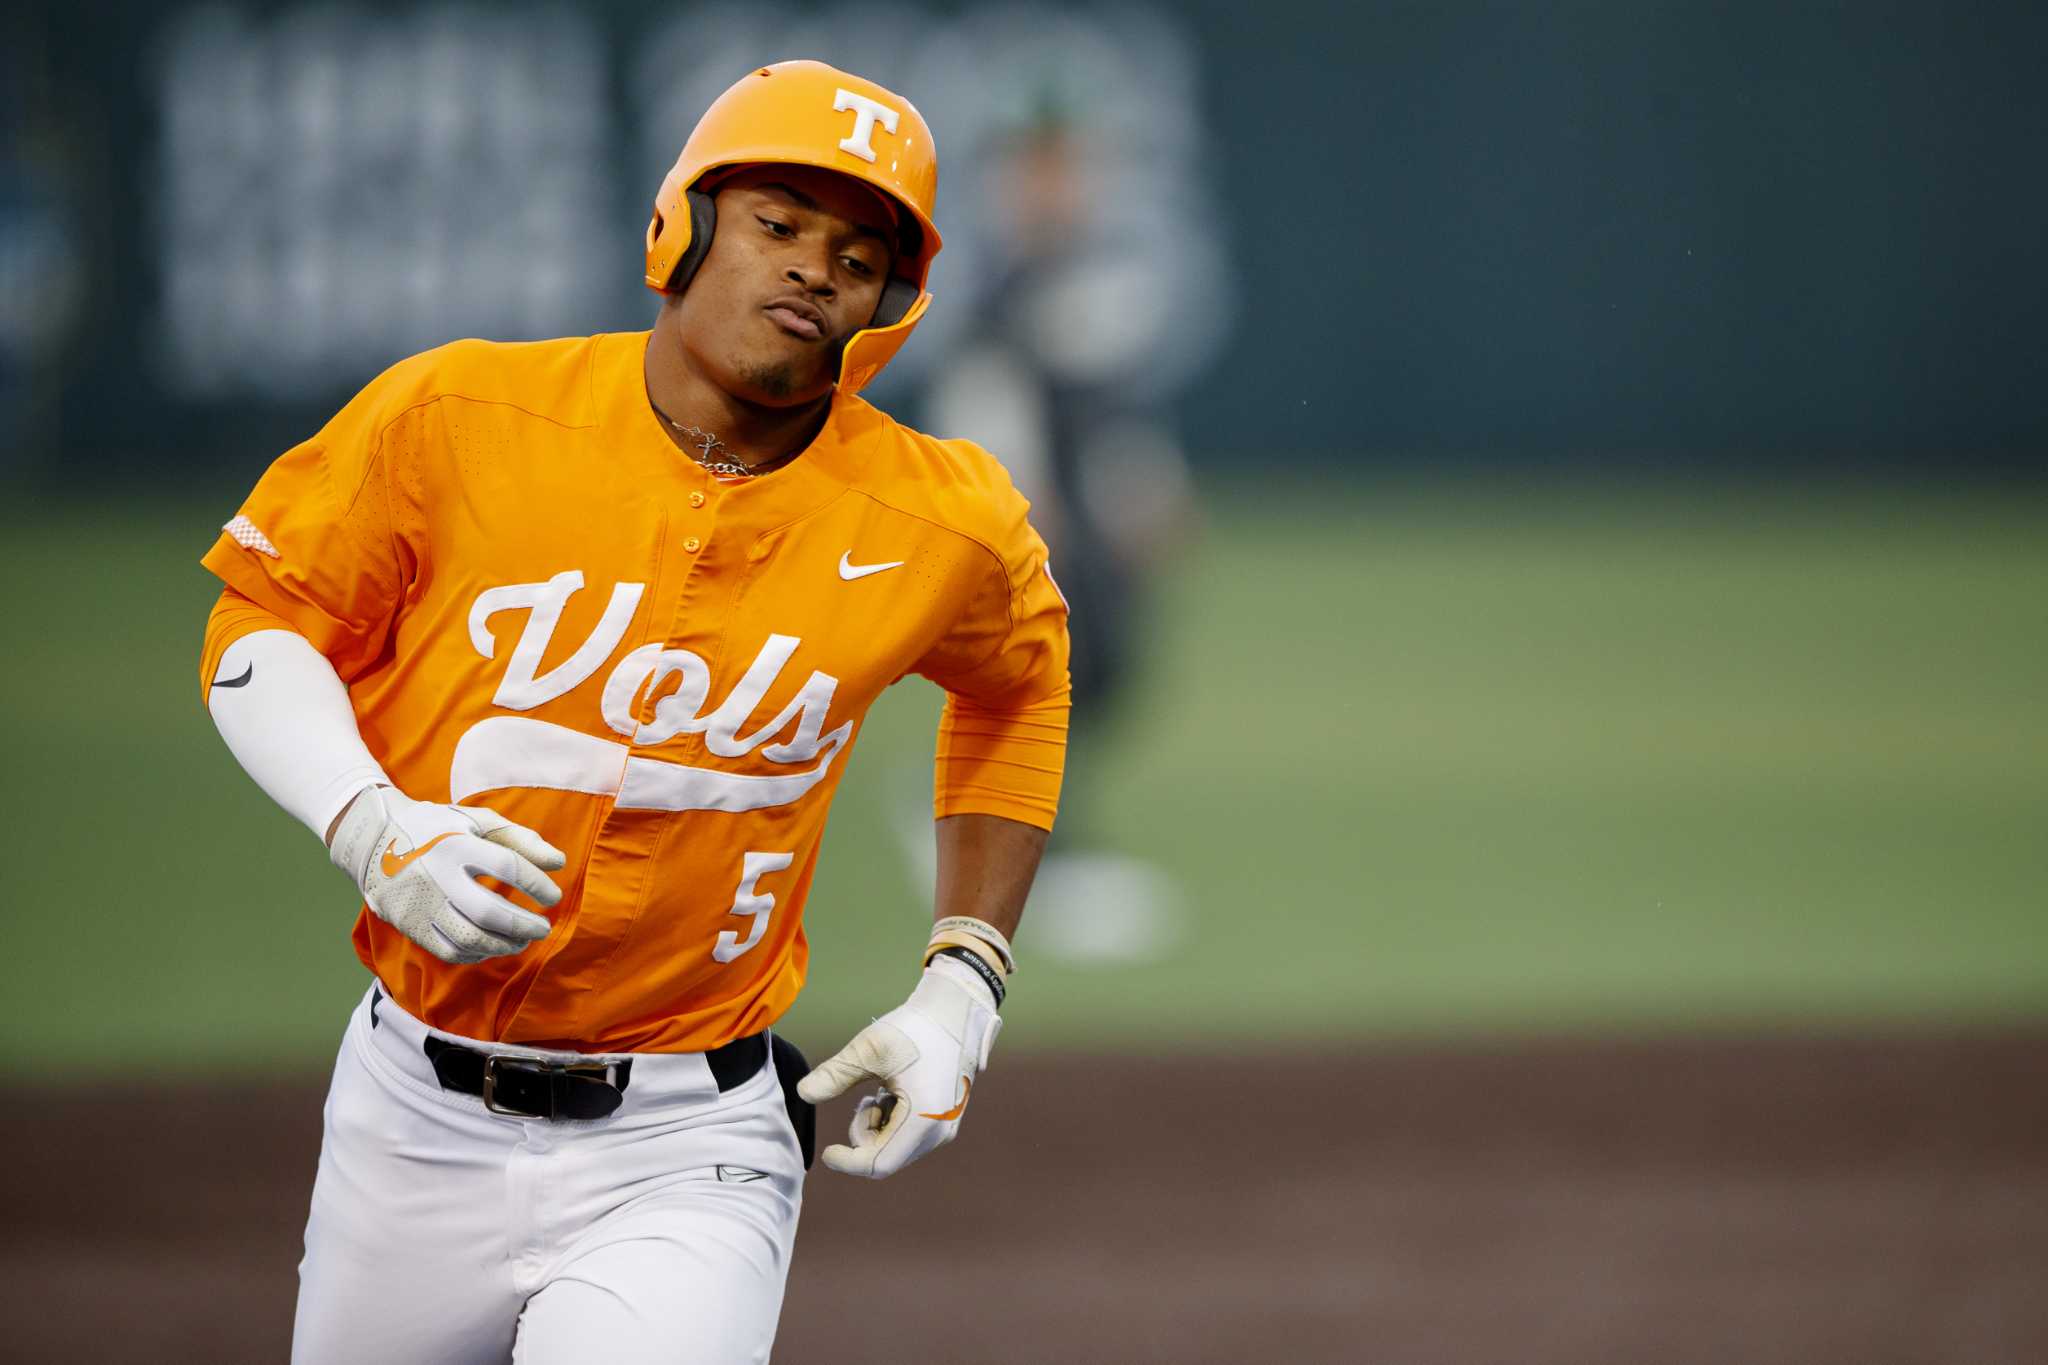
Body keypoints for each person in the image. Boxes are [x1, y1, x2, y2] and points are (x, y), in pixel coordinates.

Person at [197, 60, 1069, 1364]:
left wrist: (966, 984)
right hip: (409, 1118)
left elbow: (1022, 686)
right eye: (778, 223)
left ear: (887, 303)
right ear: (684, 226)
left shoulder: (938, 518)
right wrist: (369, 822)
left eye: (856, 251)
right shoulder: (463, 415)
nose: (815, 268)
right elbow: (259, 624)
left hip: (691, 1139)